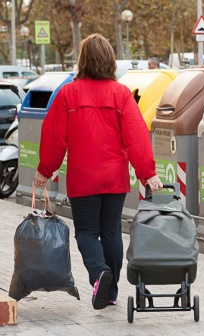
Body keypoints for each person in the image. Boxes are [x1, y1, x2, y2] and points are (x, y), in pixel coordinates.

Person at [33, 33, 163, 310]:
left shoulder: (68, 93)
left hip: (84, 178)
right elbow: (136, 136)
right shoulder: (121, 94)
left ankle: (98, 274)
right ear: (110, 60)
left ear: (83, 60)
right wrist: (147, 173)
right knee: (112, 232)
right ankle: (111, 289)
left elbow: (54, 136)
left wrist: (45, 169)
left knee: (87, 233)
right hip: (115, 177)